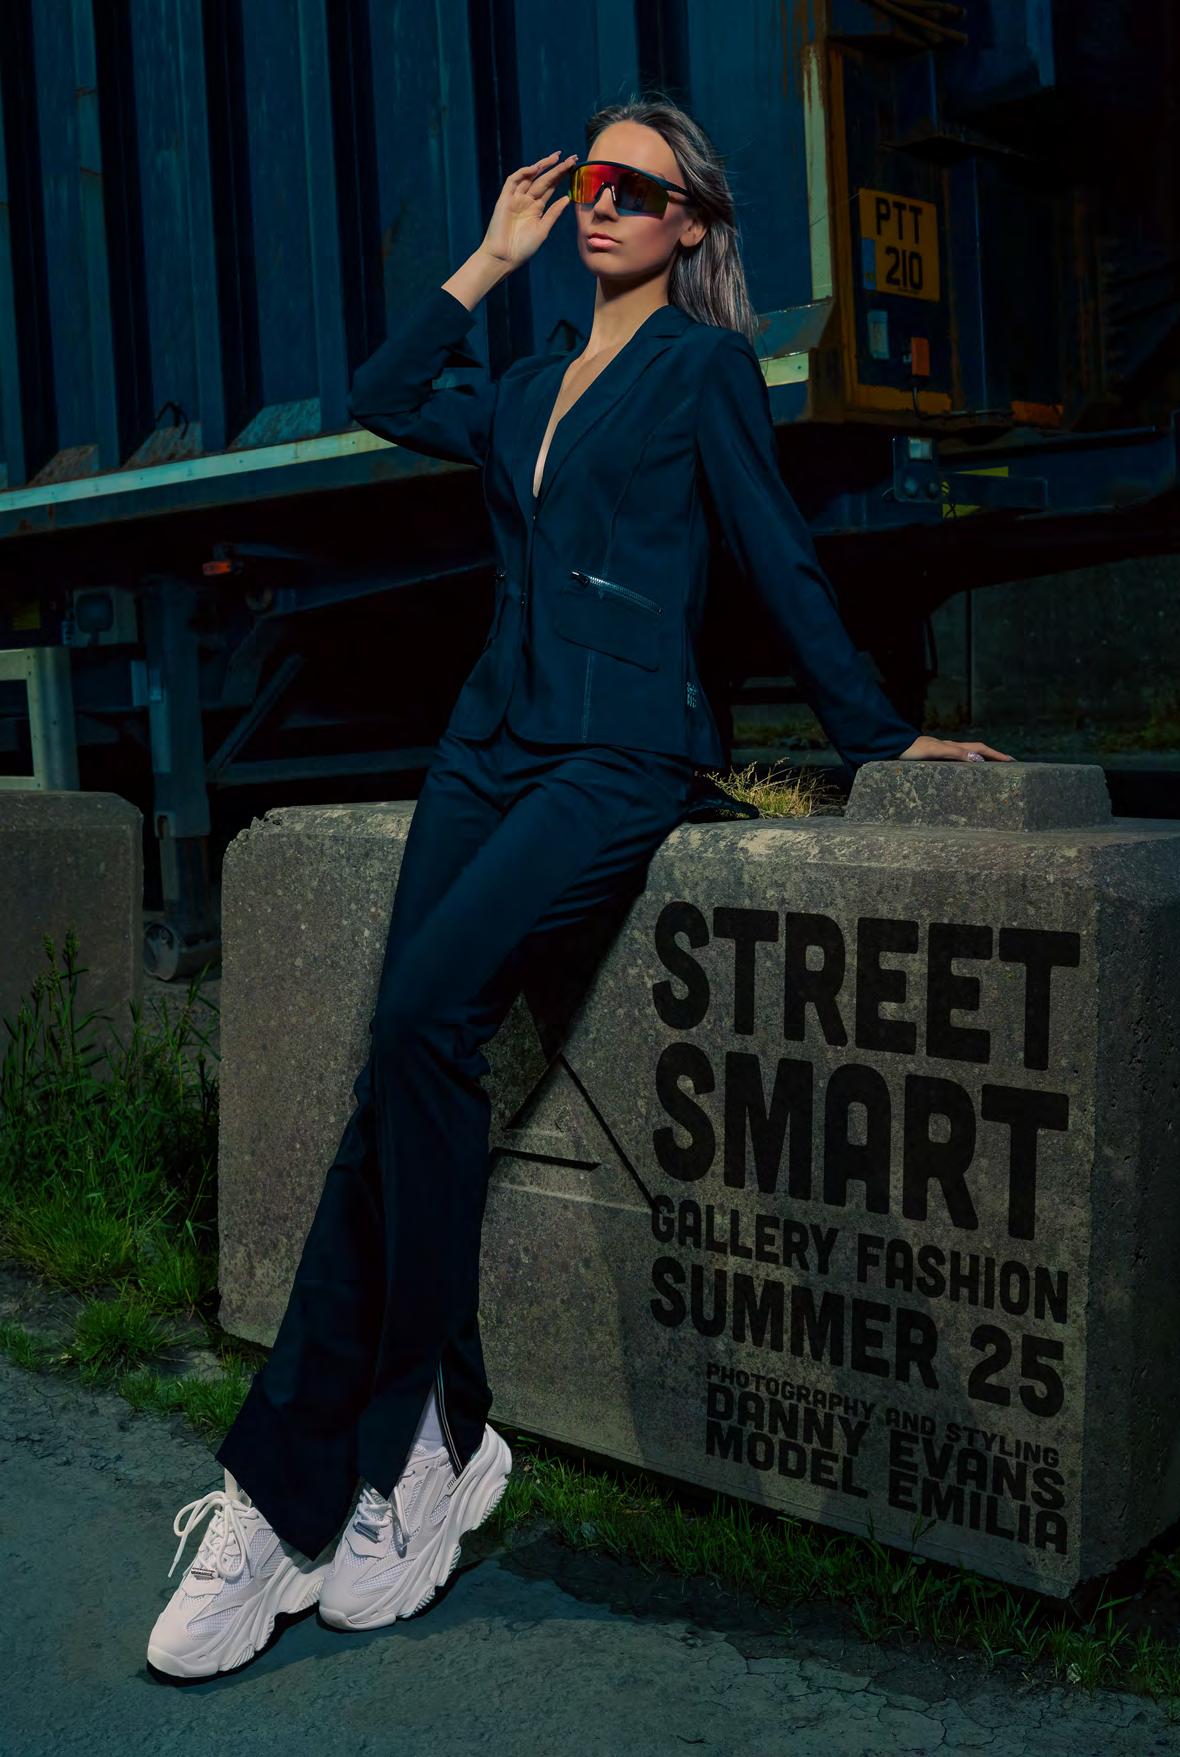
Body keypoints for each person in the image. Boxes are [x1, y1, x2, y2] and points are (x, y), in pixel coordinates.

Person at [146, 92, 1012, 1681]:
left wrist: (879, 736)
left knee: (422, 1022)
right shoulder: (529, 378)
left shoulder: (702, 371)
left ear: (691, 224)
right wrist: (488, 256)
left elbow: (774, 554)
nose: (600, 202)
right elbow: (384, 393)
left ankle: (388, 1443)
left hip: (616, 754)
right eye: (589, 181)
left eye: (633, 186)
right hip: (484, 747)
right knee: (393, 1082)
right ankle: (333, 1475)